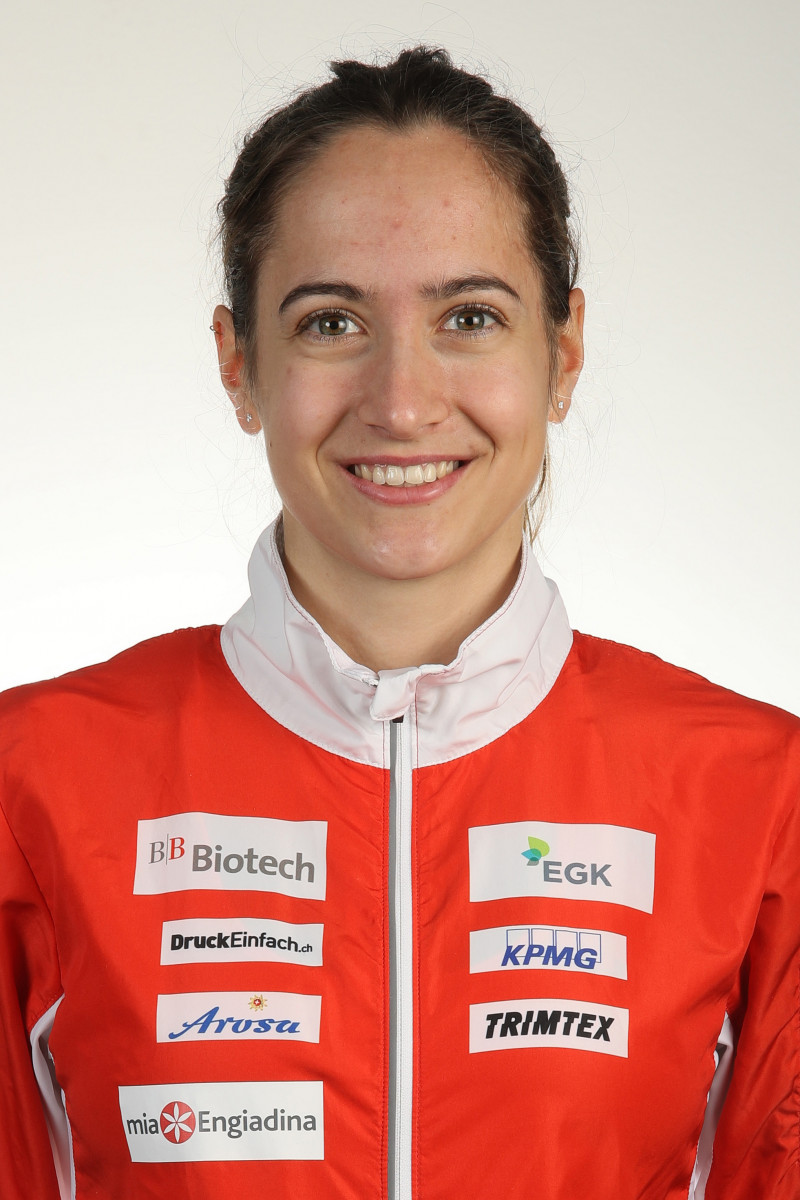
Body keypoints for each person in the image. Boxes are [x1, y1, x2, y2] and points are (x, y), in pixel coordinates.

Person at [1, 45, 798, 1200]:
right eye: (330, 323)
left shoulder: (759, 800)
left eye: (468, 316)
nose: (401, 402)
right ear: (239, 363)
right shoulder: (31, 783)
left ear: (562, 352)